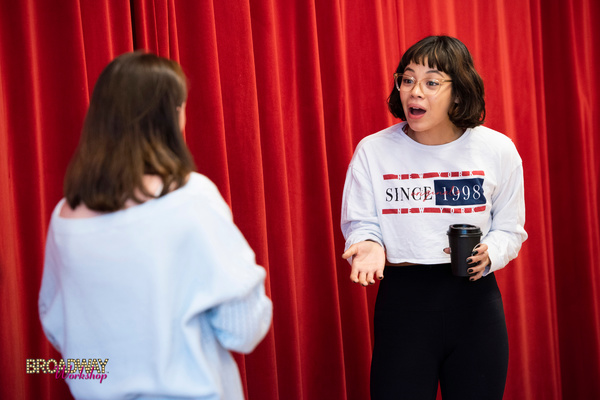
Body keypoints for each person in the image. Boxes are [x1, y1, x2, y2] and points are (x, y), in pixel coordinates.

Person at [38, 51, 272, 400]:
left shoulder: (64, 216)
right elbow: (242, 329)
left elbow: (58, 330)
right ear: (171, 115)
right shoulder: (191, 198)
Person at [340, 36, 527, 399]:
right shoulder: (374, 151)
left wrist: (492, 250)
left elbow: (510, 228)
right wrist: (368, 244)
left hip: (474, 303)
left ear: (458, 93)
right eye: (407, 79)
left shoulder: (496, 149)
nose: (415, 92)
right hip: (404, 304)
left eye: (431, 82)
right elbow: (360, 221)